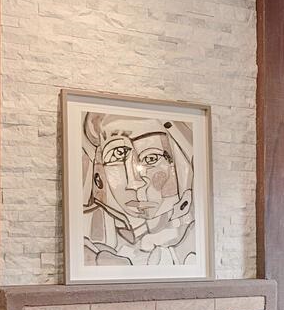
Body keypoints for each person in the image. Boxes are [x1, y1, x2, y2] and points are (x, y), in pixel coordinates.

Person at [80, 110, 199, 268]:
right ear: (99, 173)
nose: (134, 183)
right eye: (117, 155)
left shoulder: (194, 241)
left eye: (151, 158)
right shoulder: (91, 245)